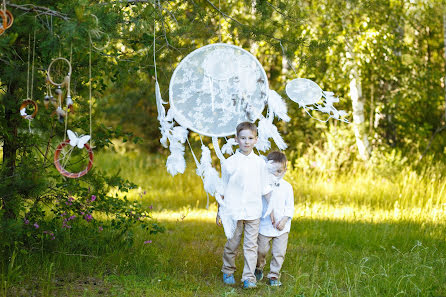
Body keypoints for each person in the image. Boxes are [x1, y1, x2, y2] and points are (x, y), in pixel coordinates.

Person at [216, 121, 272, 289]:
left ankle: (248, 277)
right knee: (232, 243)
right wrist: (220, 211)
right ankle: (228, 269)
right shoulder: (229, 163)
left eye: (250, 138)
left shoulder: (260, 163)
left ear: (256, 140)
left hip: (254, 211)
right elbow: (222, 189)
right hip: (233, 211)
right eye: (243, 138)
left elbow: (265, 188)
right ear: (236, 139)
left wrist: (273, 208)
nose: (246, 141)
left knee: (251, 245)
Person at [254, 151, 294, 287]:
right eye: (272, 171)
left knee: (279, 253)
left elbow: (290, 207)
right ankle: (258, 267)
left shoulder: (287, 187)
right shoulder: (263, 187)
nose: (275, 174)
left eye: (279, 171)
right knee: (261, 250)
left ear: (284, 170)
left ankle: (274, 276)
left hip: (282, 227)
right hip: (265, 226)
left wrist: (283, 220)